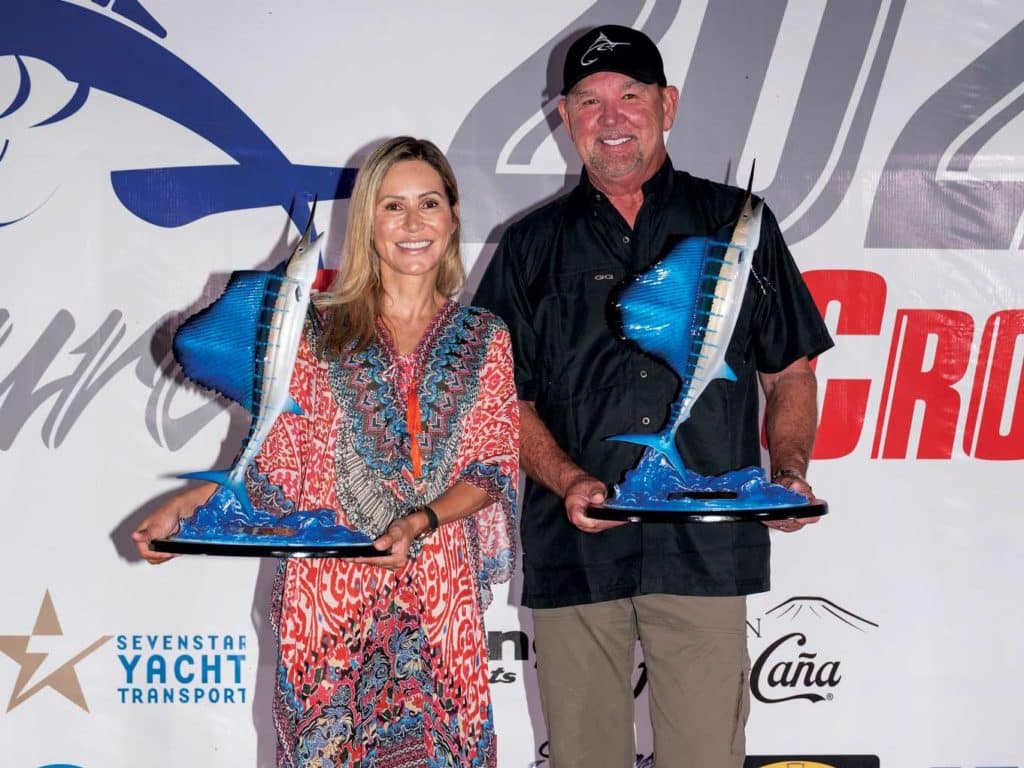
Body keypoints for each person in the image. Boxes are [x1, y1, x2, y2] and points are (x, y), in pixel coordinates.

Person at [472, 25, 833, 768]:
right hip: (577, 548)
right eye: (589, 100)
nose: (611, 117)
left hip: (702, 546)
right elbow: (503, 402)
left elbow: (790, 371)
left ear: (667, 104)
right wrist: (569, 480)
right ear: (564, 118)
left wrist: (789, 470)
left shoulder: (740, 226)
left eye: (630, 96)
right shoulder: (528, 247)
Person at [134, 137, 519, 767]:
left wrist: (419, 523)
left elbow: (491, 466)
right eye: (392, 207)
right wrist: (185, 506)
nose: (414, 223)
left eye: (428, 203)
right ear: (366, 222)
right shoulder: (312, 331)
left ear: (452, 216)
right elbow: (276, 468)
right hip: (328, 599)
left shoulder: (485, 337)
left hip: (439, 595)